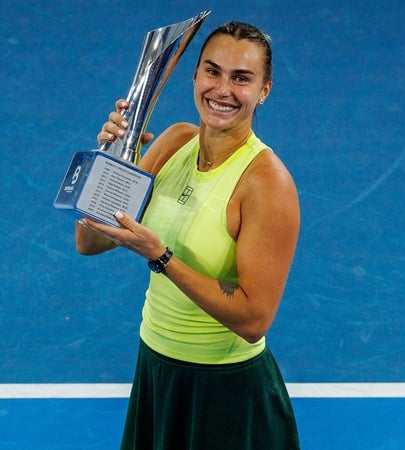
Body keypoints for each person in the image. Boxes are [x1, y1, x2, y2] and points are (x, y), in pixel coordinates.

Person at [75, 21, 301, 449]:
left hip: (227, 390)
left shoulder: (267, 183)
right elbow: (89, 241)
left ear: (264, 90)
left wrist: (161, 257)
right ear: (195, 76)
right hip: (158, 372)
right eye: (213, 72)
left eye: (242, 78)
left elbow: (254, 321)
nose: (223, 89)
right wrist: (110, 157)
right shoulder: (175, 141)